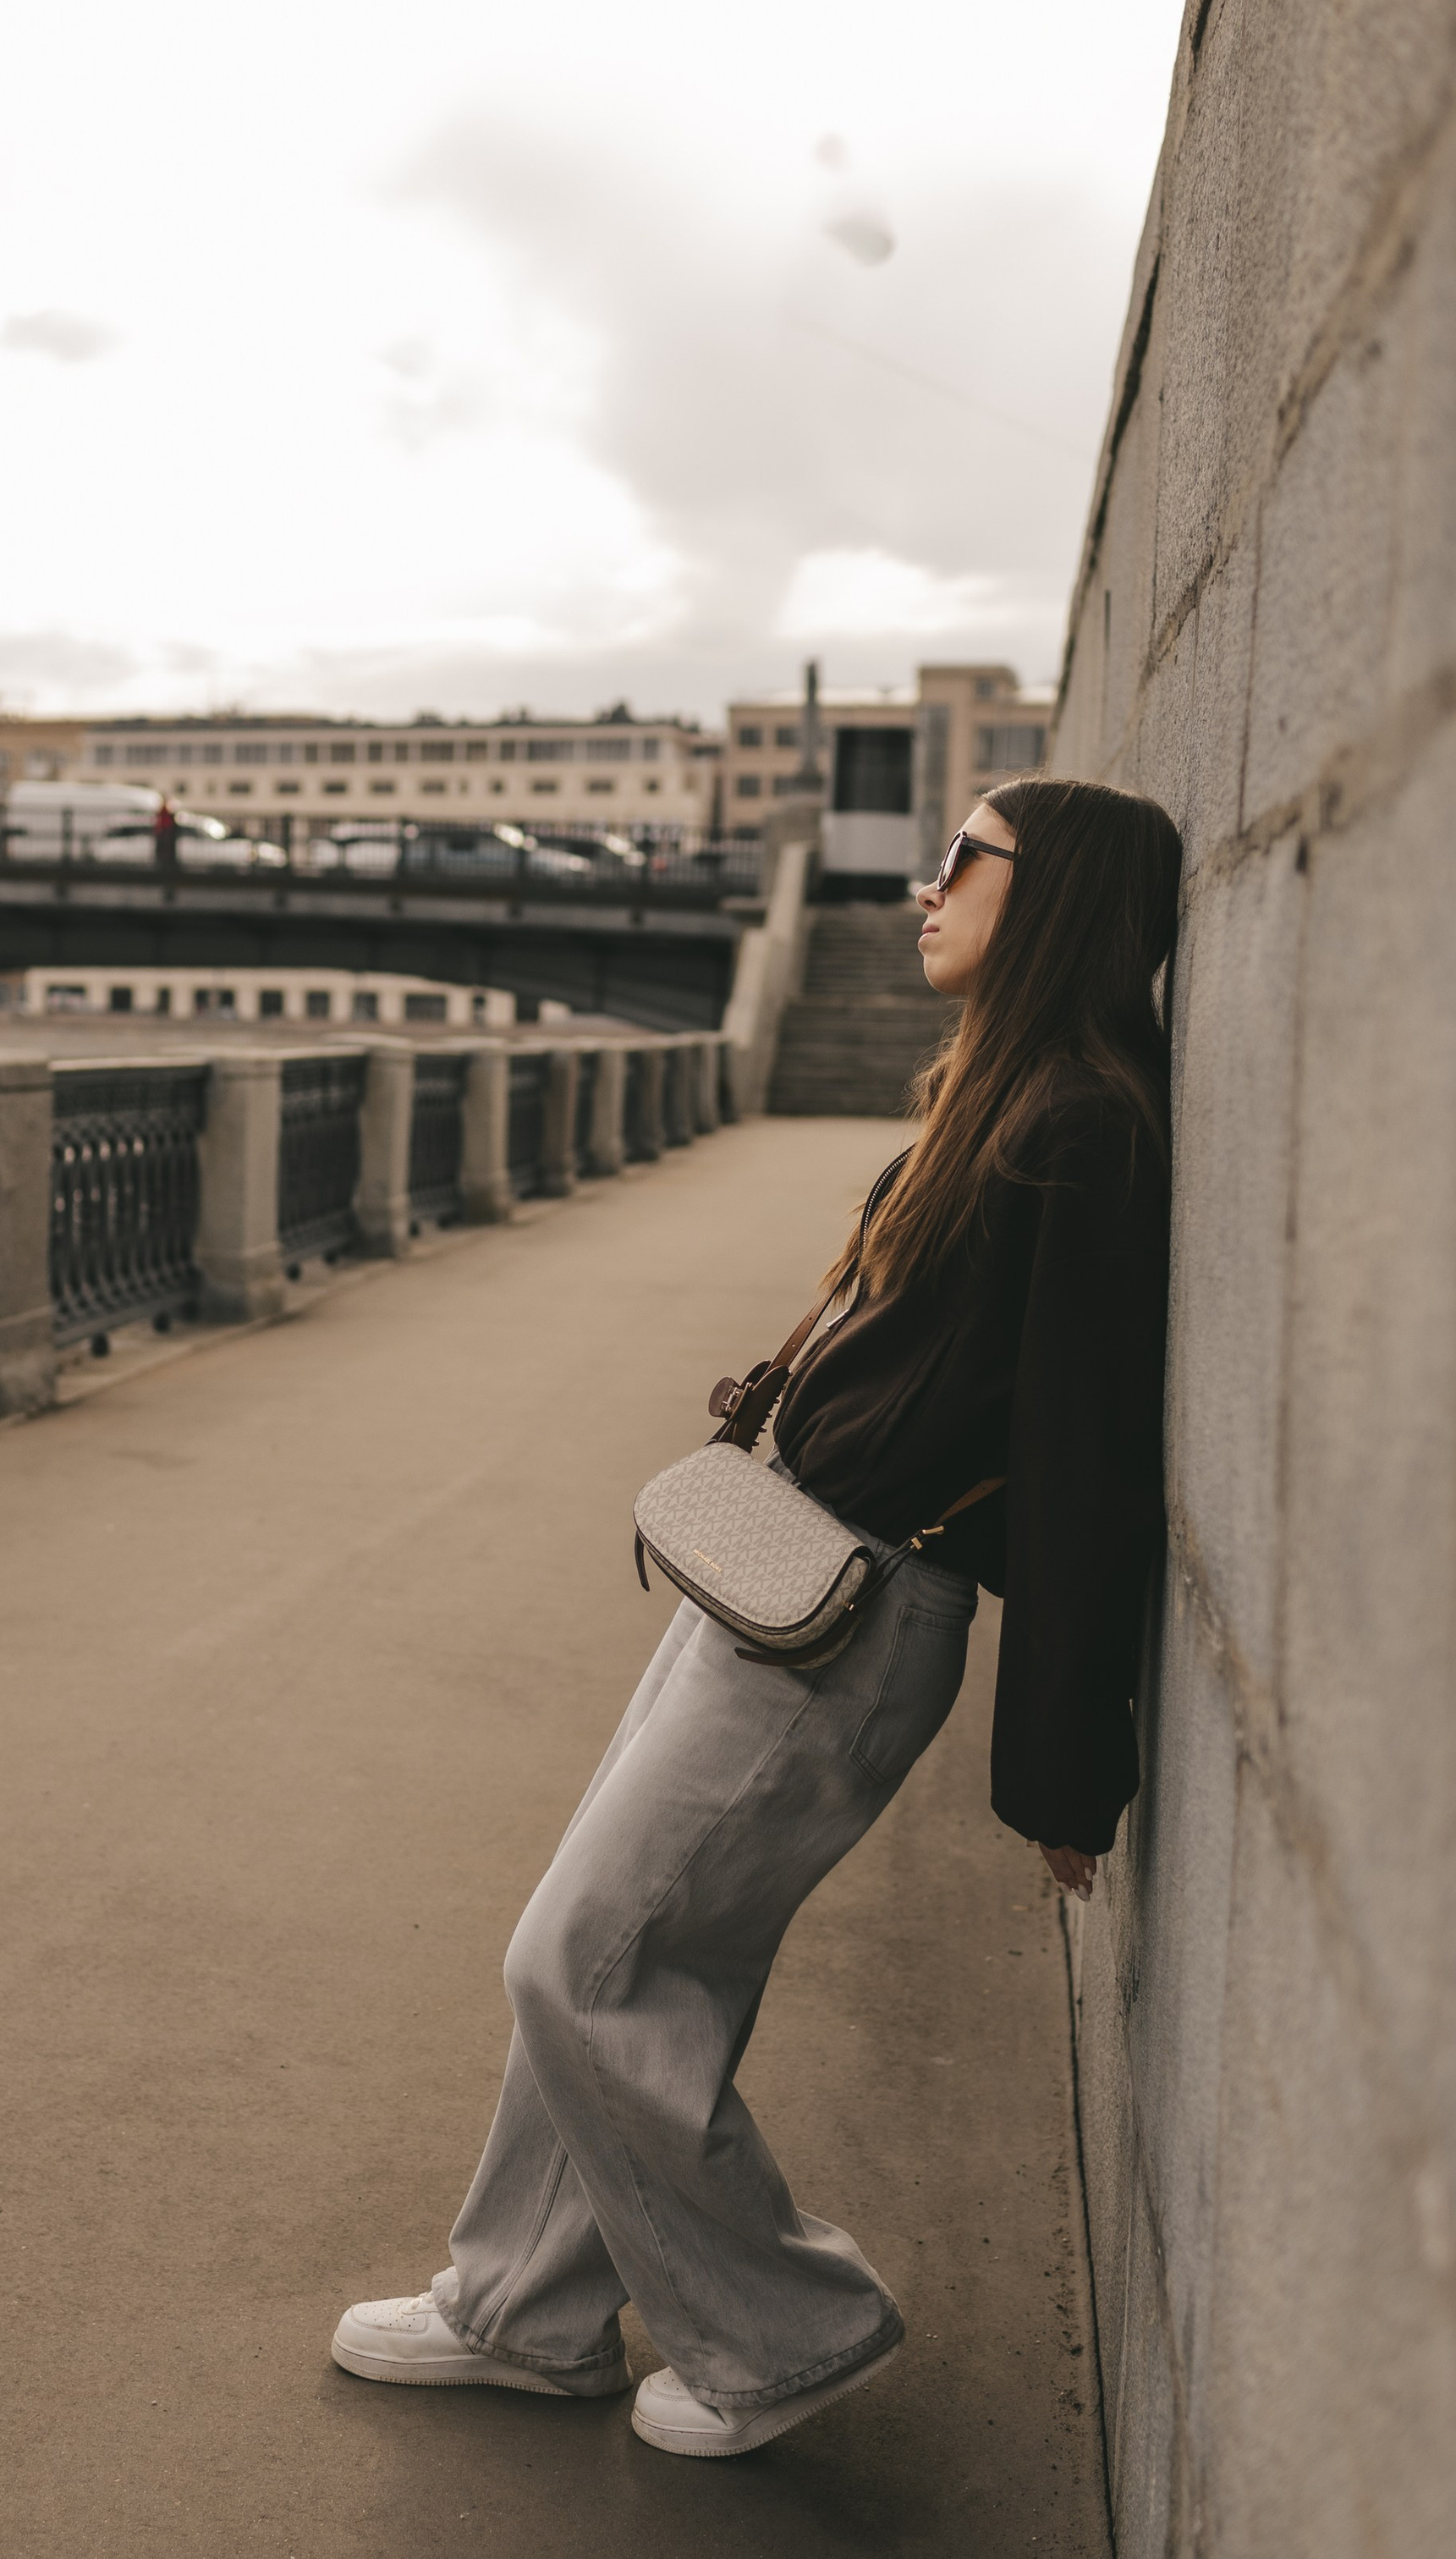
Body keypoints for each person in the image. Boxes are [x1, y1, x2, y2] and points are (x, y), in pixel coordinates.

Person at [332, 776, 1182, 2457]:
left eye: (962, 857)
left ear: (1059, 895)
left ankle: (787, 2328)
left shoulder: (1078, 1126)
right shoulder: (999, 1098)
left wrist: (1060, 1773)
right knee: (645, 1956)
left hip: (848, 1619)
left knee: (574, 1963)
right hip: (782, 1575)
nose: (922, 888)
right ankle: (522, 2307)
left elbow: (1083, 1460)